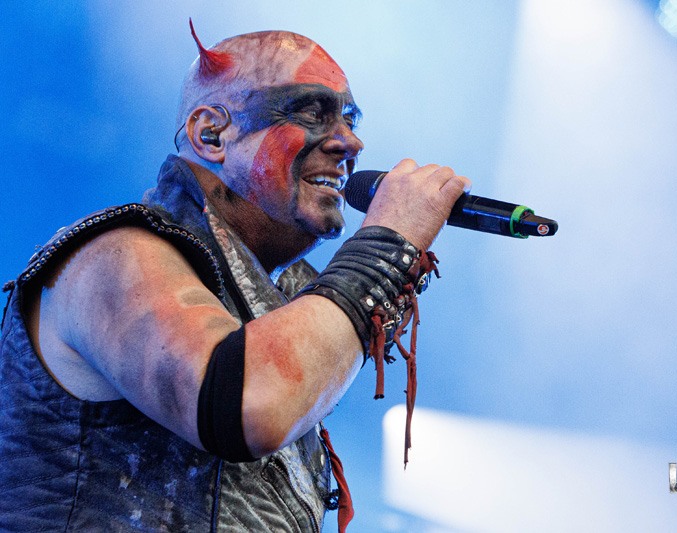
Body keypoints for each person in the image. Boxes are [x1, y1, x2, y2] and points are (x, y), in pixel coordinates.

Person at [0, 24, 470, 532]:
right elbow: (249, 406)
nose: (350, 141)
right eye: (312, 112)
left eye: (349, 119)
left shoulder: (278, 301)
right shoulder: (113, 257)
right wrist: (387, 247)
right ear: (212, 134)